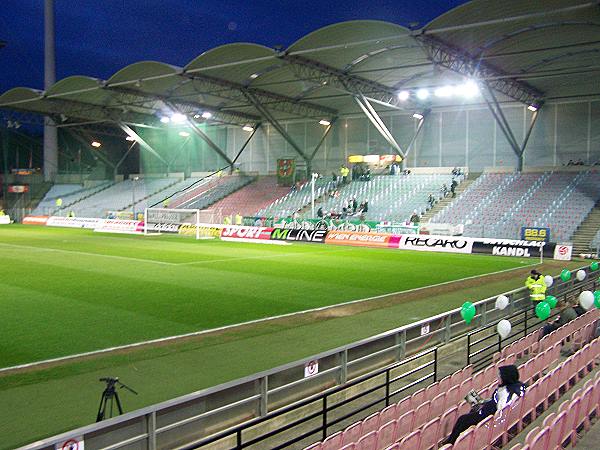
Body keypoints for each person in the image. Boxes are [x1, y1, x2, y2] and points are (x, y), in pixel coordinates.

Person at [444, 365, 526, 445]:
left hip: (486, 416)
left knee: (462, 419)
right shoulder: (518, 386)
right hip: (487, 409)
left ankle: (451, 442)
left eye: (500, 375)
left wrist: (485, 424)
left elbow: (501, 413)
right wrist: (483, 402)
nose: (498, 377)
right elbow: (496, 401)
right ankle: (452, 440)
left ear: (506, 377)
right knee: (471, 404)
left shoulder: (505, 393)